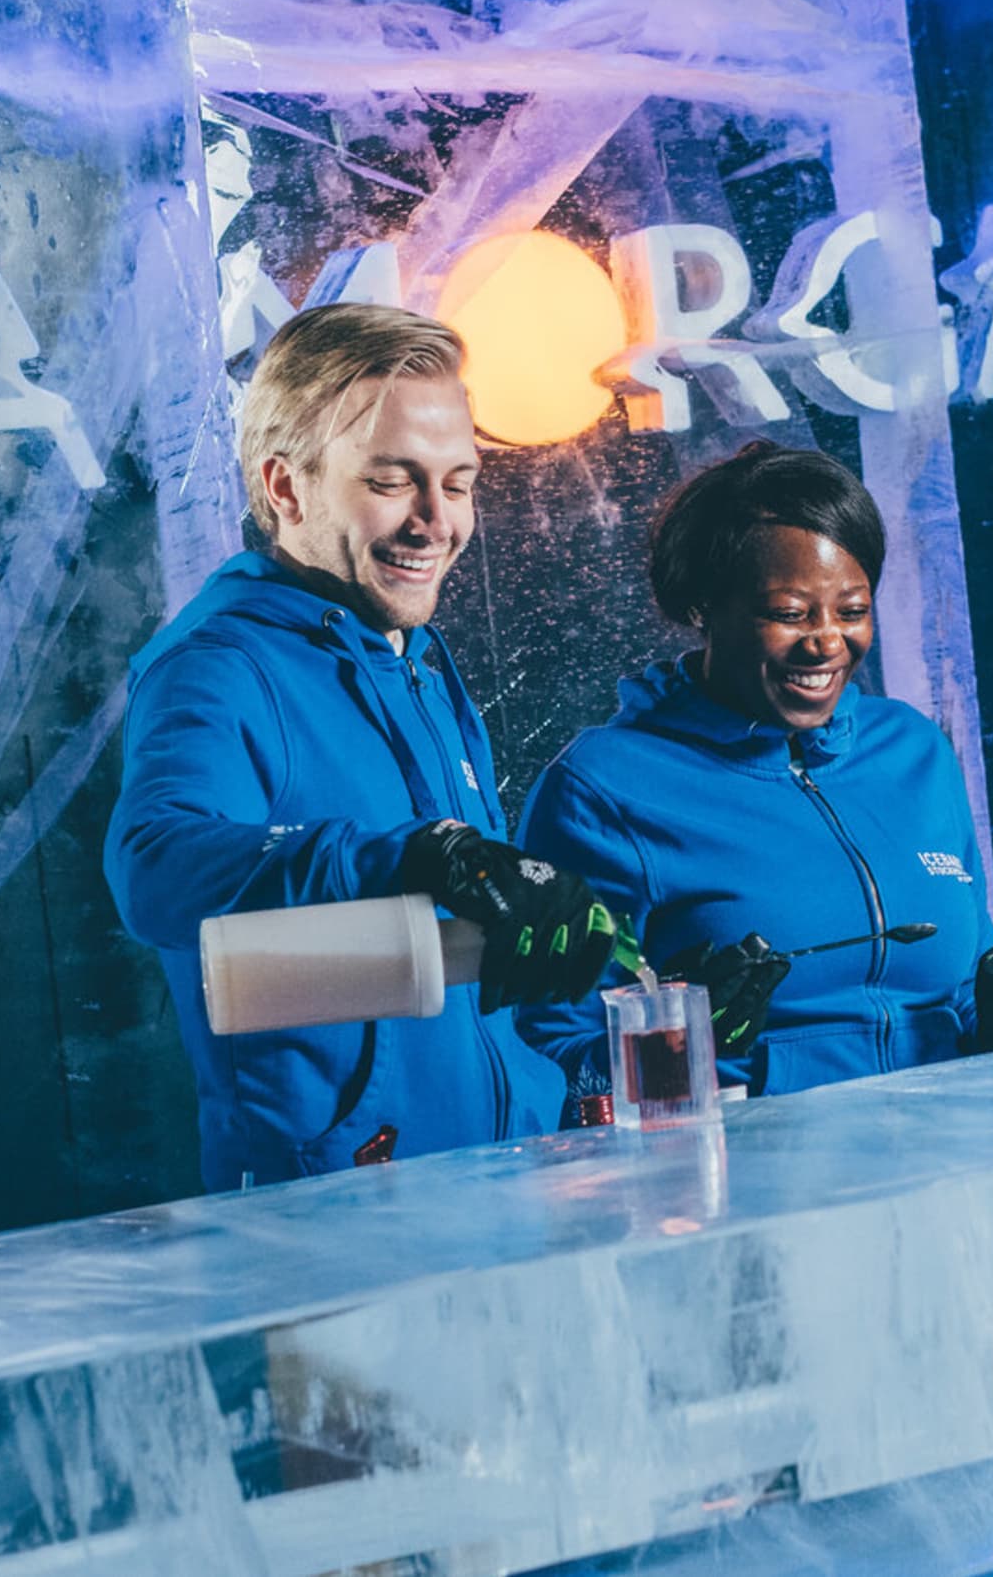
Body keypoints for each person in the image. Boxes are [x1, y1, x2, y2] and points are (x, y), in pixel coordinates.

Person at [107, 303, 618, 1190]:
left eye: (458, 484)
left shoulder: (409, 653)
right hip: (344, 1216)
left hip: (501, 1190)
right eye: (393, 480)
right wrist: (412, 854)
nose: (437, 521)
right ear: (286, 486)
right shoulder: (220, 666)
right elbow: (154, 865)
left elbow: (463, 966)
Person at [517, 441, 993, 1099]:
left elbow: (962, 993)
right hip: (762, 1185)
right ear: (703, 606)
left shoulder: (915, 752)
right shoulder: (602, 790)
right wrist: (678, 1042)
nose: (827, 640)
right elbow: (547, 1063)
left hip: (956, 1169)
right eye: (790, 613)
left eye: (852, 610)